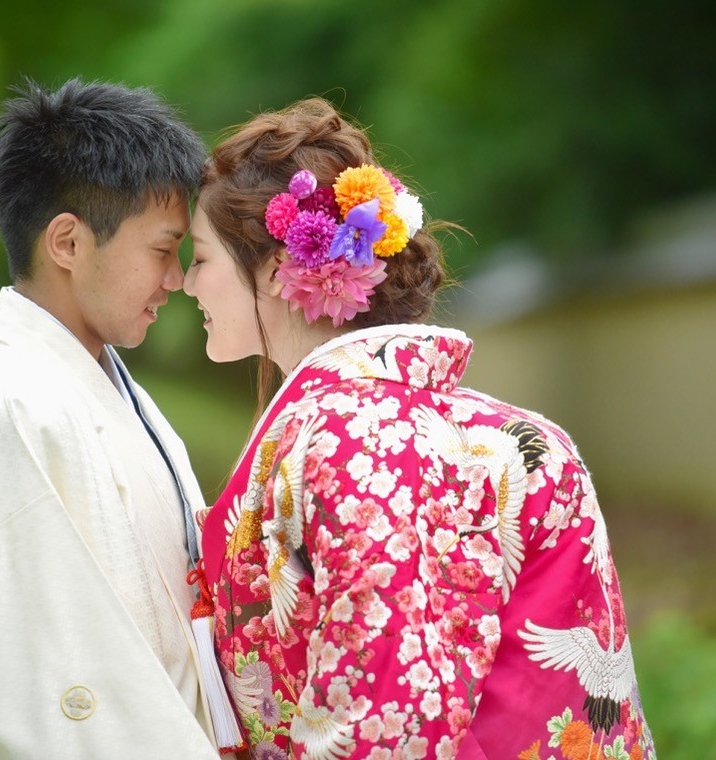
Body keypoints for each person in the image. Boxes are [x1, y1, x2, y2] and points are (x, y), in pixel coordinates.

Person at [184, 98, 656, 760]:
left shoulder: (350, 440)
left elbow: (388, 720)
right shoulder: (525, 436)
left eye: (200, 258)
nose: (185, 283)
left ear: (269, 270)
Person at [0, 78, 224, 758]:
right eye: (161, 250)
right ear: (67, 242)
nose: (176, 281)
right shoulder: (4, 407)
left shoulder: (111, 386)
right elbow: (27, 697)